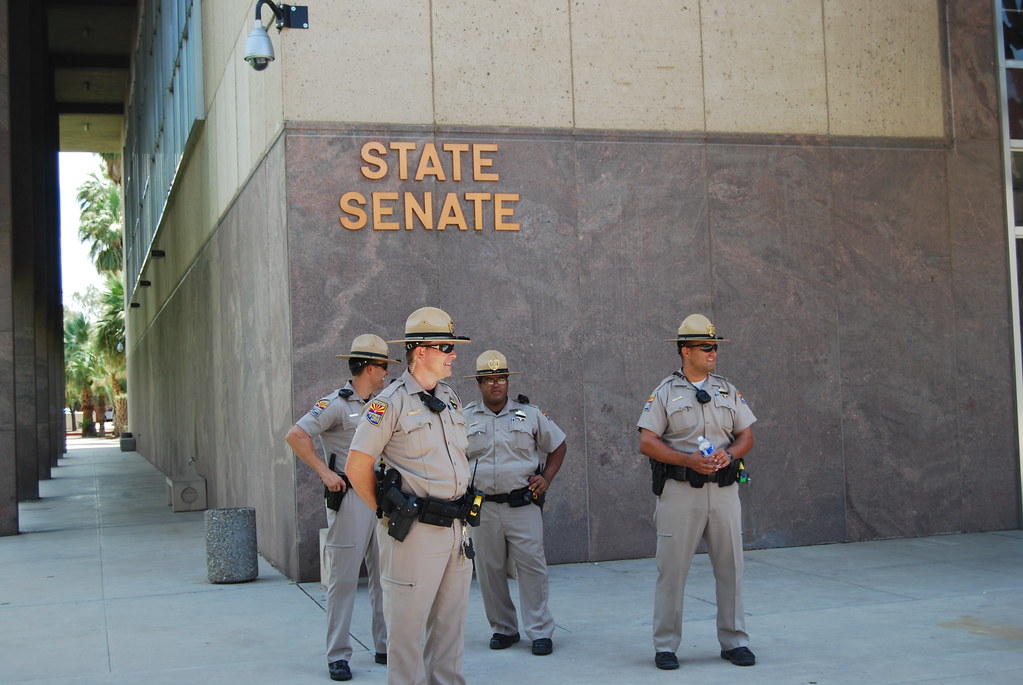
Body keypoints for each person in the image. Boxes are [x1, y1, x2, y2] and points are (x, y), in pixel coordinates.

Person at [344, 307, 474, 685]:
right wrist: (387, 515)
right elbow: (356, 466)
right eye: (445, 346)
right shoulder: (390, 402)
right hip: (415, 534)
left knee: (451, 630)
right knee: (406, 635)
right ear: (420, 351)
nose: (453, 354)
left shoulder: (449, 397)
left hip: (456, 529)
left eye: (453, 346)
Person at [637, 313, 757, 671]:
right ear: (685, 351)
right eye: (706, 347)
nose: (713, 352)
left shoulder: (727, 389)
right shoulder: (664, 392)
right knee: (672, 570)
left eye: (715, 346)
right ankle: (665, 645)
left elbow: (746, 435)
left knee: (731, 567)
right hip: (680, 492)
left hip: (723, 492)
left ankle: (734, 640)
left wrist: (729, 453)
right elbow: (647, 442)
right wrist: (688, 460)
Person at [285, 334, 398, 681]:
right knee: (344, 579)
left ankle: (384, 646)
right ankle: (338, 655)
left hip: (380, 498)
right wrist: (324, 473)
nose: (385, 373)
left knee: (384, 578)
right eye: (382, 366)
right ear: (367, 367)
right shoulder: (335, 404)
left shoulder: (380, 403)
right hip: (349, 499)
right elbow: (296, 435)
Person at [462, 350, 567, 656]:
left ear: (508, 382)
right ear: (480, 383)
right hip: (482, 507)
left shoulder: (530, 414)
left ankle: (539, 631)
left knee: (532, 568)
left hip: (523, 504)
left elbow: (558, 445)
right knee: (489, 569)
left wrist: (546, 477)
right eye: (489, 379)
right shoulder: (464, 417)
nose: (496, 384)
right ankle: (503, 628)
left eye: (501, 378)